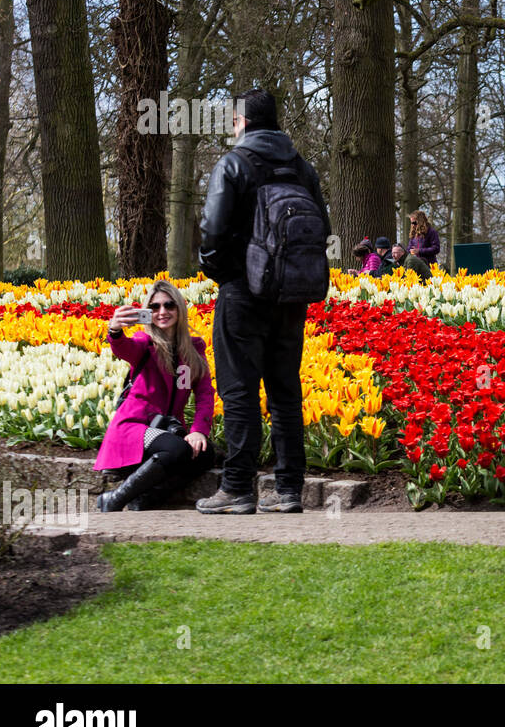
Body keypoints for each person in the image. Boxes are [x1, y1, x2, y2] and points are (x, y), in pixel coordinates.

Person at [196, 88, 330, 514]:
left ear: (243, 122)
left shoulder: (234, 163)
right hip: (292, 295)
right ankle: (289, 489)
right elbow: (322, 229)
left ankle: (237, 487)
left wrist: (224, 274)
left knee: (239, 390)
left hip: (243, 291)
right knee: (285, 391)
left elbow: (213, 230)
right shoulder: (302, 168)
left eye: (233, 121)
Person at [94, 281, 215, 511]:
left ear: (179, 308)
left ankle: (145, 498)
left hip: (168, 428)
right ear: (148, 311)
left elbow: (205, 394)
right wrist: (115, 330)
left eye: (169, 305)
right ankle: (114, 499)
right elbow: (124, 348)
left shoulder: (194, 350)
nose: (163, 312)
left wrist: (199, 430)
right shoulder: (144, 343)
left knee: (205, 453)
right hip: (134, 427)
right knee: (178, 449)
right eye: (155, 306)